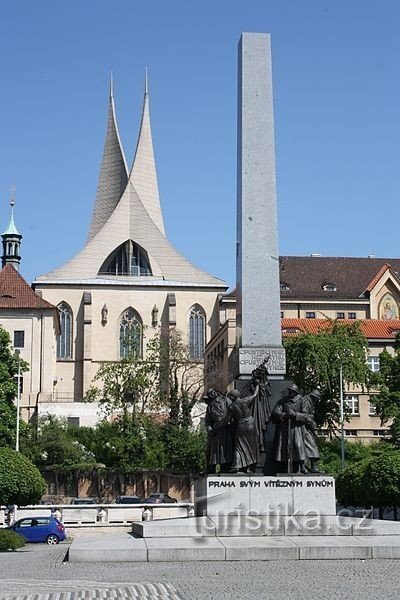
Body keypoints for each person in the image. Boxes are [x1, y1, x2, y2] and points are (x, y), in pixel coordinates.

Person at [271, 383, 309, 474]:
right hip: (285, 428)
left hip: (296, 428)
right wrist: (284, 415)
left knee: (298, 446)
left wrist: (295, 414)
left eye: (292, 391)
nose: (290, 392)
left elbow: (306, 416)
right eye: (289, 391)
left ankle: (302, 466)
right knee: (284, 448)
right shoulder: (284, 401)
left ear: (296, 392)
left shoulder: (302, 401)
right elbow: (276, 411)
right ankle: (284, 467)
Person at [228, 382, 260, 473]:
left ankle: (236, 466)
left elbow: (227, 420)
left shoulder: (231, 407)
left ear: (233, 397)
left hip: (241, 426)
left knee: (239, 447)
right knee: (251, 447)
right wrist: (257, 384)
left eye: (230, 396)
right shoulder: (245, 401)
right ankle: (248, 468)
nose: (229, 398)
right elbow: (255, 395)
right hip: (251, 425)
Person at [204, 388, 233, 473]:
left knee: (226, 449)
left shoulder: (225, 400)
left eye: (212, 392)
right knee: (214, 451)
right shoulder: (210, 406)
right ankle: (211, 468)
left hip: (226, 428)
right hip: (216, 430)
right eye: (210, 394)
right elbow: (207, 421)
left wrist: (228, 421)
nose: (212, 394)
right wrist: (209, 429)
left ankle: (225, 467)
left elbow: (232, 410)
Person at [301, 389, 321, 473]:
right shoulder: (306, 401)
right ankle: (312, 466)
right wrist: (312, 424)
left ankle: (307, 466)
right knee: (311, 445)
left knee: (307, 447)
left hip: (307, 427)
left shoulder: (309, 401)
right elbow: (305, 415)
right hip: (304, 427)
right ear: (314, 397)